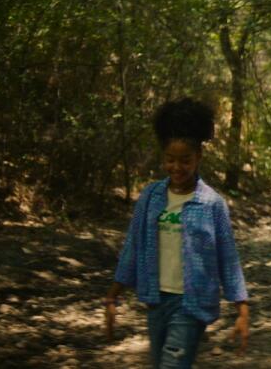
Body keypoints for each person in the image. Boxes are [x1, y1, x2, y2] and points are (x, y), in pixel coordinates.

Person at [104, 97, 250, 369]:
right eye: (170, 160)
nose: (177, 167)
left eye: (185, 160)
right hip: (156, 300)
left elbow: (228, 258)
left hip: (191, 304)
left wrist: (242, 308)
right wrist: (113, 295)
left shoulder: (211, 203)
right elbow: (133, 247)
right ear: (163, 159)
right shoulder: (150, 196)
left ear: (198, 158)